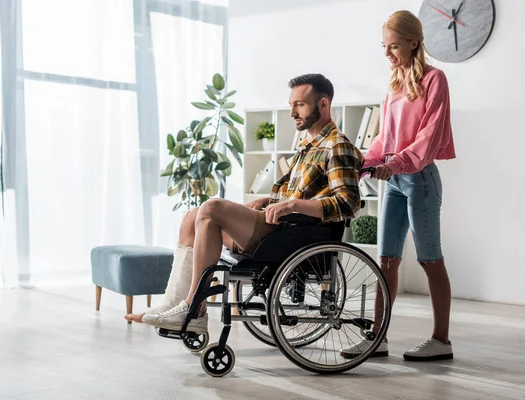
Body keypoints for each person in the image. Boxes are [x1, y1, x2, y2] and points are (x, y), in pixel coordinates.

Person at [125, 73, 364, 333]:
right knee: (193, 216)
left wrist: (291, 205)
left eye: (300, 105)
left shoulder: (337, 146)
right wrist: (269, 201)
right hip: (278, 227)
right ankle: (173, 305)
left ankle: (194, 307)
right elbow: (302, 192)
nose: (293, 112)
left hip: (292, 235)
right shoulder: (309, 144)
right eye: (291, 105)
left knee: (212, 208)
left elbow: (347, 203)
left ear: (323, 104)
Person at [340, 10, 456, 361]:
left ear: (413, 42)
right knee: (386, 260)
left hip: (420, 179)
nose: (388, 54)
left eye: (394, 46)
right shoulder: (392, 86)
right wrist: (365, 164)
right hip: (392, 180)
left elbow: (428, 137)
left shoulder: (435, 80)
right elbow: (384, 138)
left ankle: (441, 341)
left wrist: (395, 164)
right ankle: (378, 338)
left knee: (429, 260)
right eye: (384, 47)